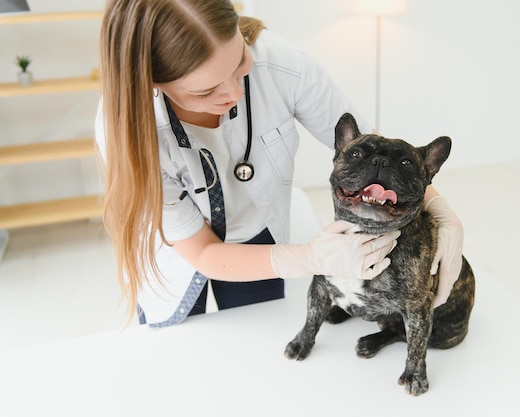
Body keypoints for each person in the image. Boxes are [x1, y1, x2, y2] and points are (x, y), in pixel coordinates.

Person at [95, 0, 464, 328]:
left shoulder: (282, 64)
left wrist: (437, 205)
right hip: (175, 252)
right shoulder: (128, 130)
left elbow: (367, 147)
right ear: (153, 83)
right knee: (179, 354)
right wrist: (306, 258)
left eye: (240, 62)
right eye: (206, 91)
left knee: (256, 339)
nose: (234, 93)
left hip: (259, 237)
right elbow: (203, 252)